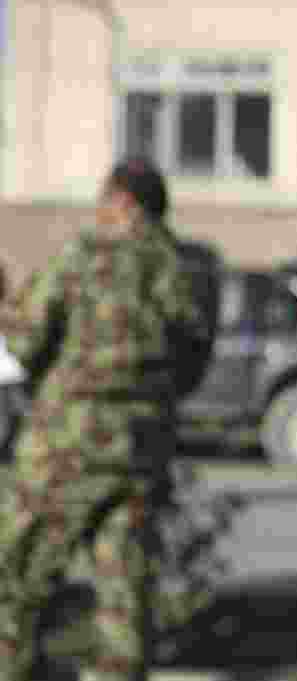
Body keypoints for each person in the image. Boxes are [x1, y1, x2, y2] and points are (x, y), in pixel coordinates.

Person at [0, 156, 210, 681]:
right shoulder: (183, 268)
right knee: (124, 586)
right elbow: (193, 363)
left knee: (19, 577)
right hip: (142, 449)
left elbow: (24, 341)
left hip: (65, 447)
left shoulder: (81, 256)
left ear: (121, 201)